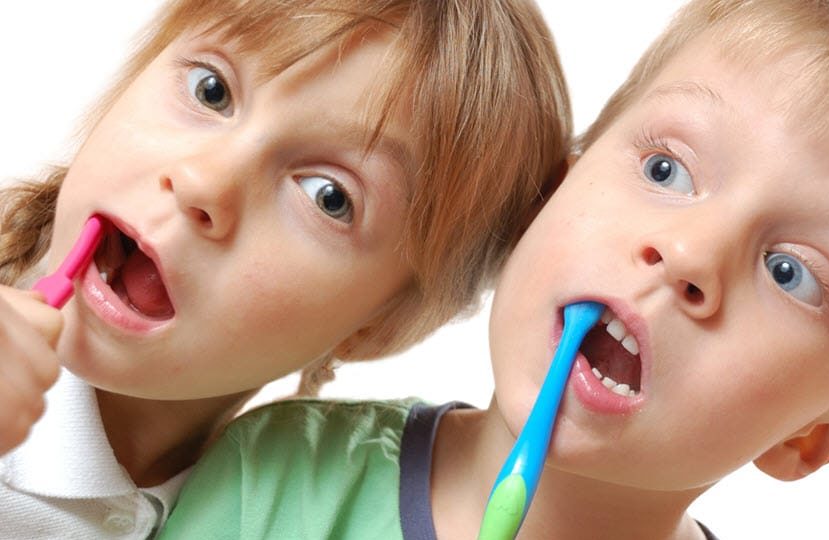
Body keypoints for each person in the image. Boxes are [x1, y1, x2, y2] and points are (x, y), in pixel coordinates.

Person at [158, 0, 829, 538]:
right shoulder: (280, 476)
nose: (687, 254)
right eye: (666, 172)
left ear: (810, 439)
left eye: (791, 272)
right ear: (551, 191)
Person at [0, 0, 572, 537]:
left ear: (380, 326)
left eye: (329, 196)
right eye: (212, 90)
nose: (205, 180)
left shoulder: (277, 508)